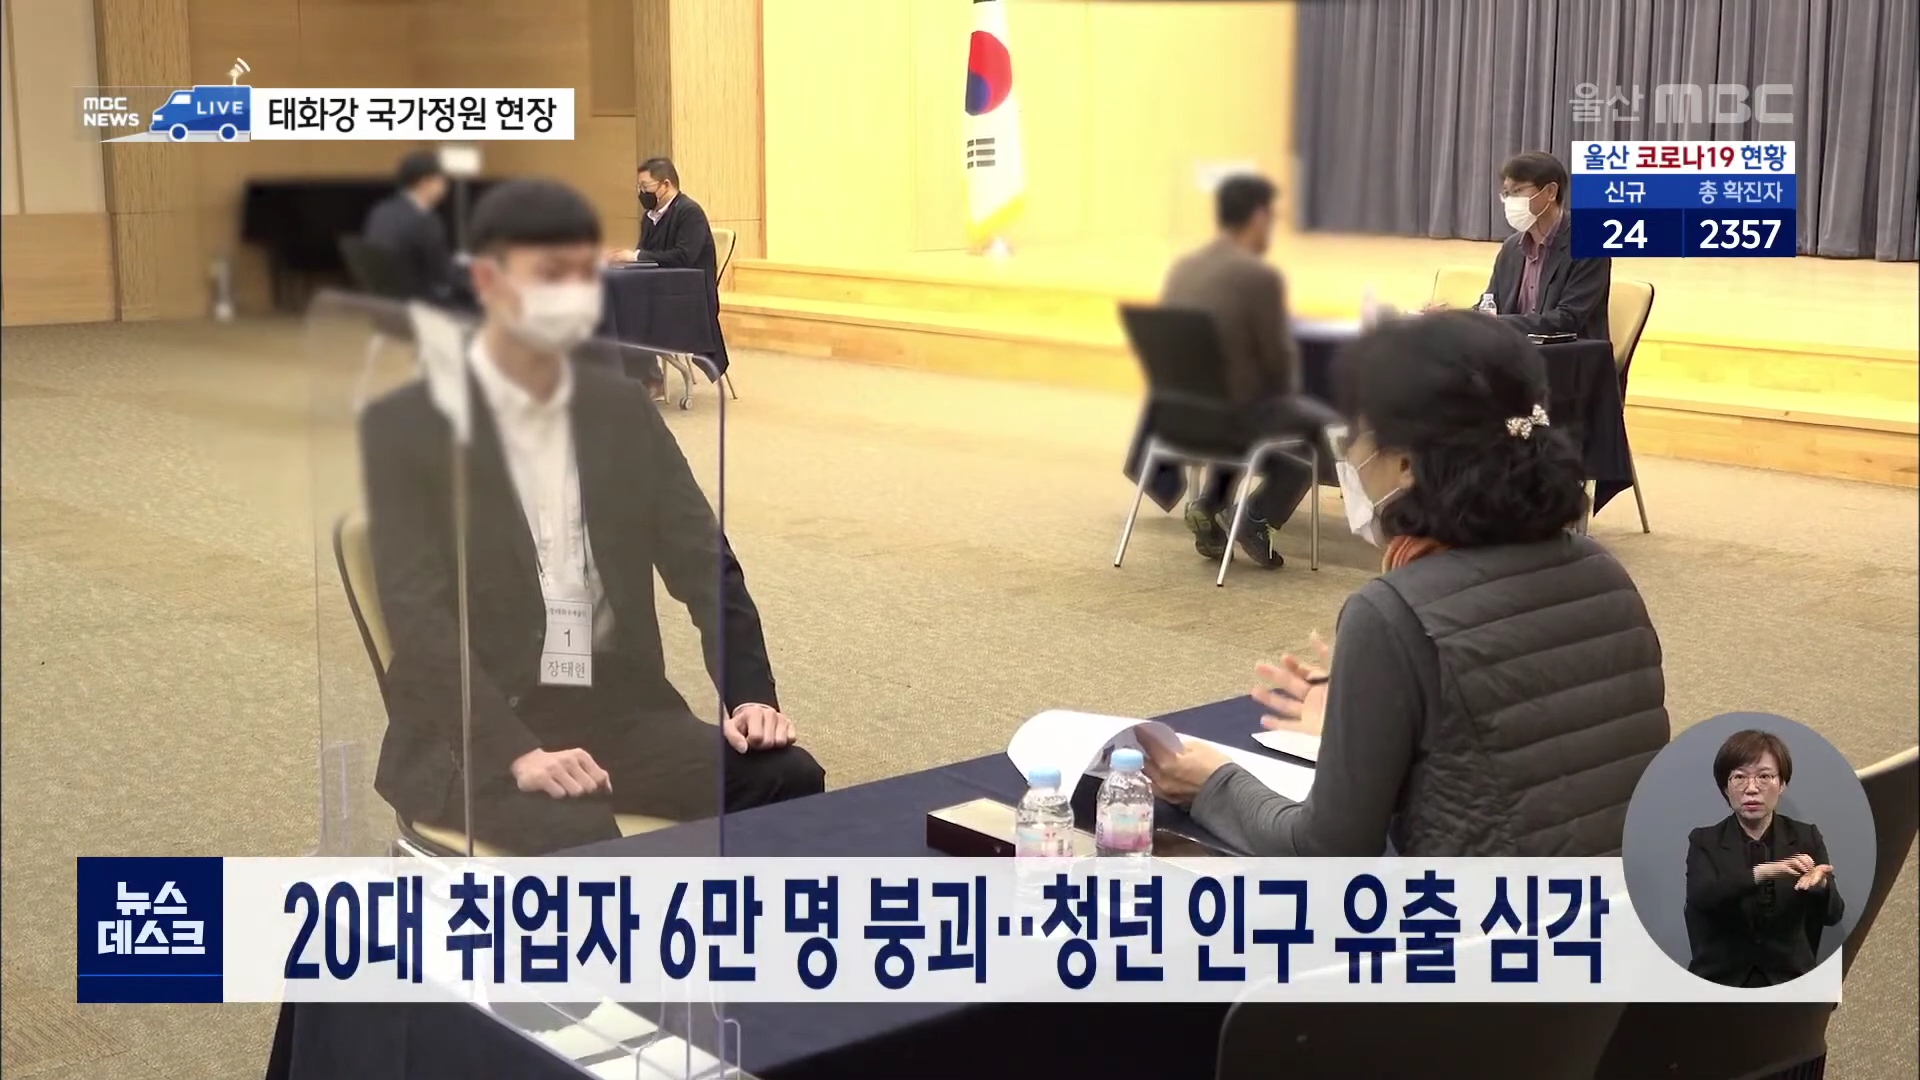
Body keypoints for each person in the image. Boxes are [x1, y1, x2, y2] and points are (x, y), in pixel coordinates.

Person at [360, 178, 823, 855]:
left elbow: (705, 562)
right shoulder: (408, 427)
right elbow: (419, 619)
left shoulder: (620, 410)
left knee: (786, 778)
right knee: (581, 836)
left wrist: (750, 696)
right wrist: (516, 753)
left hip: (612, 706)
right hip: (477, 729)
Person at [1142, 310, 1669, 856]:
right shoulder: (1604, 571)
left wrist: (1213, 783)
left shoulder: (1395, 613)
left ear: (1408, 464)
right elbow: (1527, 755)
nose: (1350, 457)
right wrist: (1371, 720)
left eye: (1357, 436)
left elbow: (1328, 852)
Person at [1127, 174, 1315, 569]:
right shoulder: (1259, 277)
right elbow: (1279, 366)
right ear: (1259, 217)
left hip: (1175, 419)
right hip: (1228, 425)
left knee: (1241, 403)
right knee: (1313, 427)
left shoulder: (1183, 268)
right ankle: (1257, 516)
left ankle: (1212, 503)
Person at [1684, 729, 1844, 987]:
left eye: (1764, 776)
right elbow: (1702, 897)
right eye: (1739, 777)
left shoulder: (1806, 837)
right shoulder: (1704, 841)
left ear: (1782, 784)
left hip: (1790, 978)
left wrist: (1822, 886)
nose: (1751, 789)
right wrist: (1766, 871)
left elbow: (1834, 915)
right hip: (1721, 981)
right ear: (1725, 787)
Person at [607, 157, 730, 396]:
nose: (642, 192)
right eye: (639, 187)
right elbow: (646, 255)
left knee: (629, 311)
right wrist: (623, 259)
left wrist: (635, 256)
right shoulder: (649, 217)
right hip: (658, 291)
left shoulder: (690, 213)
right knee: (613, 302)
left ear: (665, 185)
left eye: (646, 186)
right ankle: (628, 376)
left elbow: (684, 256)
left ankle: (650, 380)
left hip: (688, 299)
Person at [1477, 150, 1611, 341]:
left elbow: (1567, 319)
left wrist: (1497, 323)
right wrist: (1452, 319)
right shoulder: (1511, 247)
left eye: (1517, 191)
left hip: (1568, 350)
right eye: (1506, 193)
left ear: (1550, 192)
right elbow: (1491, 303)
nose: (1510, 201)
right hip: (1517, 349)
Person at [362, 150, 457, 303]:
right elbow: (443, 274)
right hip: (419, 303)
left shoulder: (380, 211)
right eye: (441, 179)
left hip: (382, 302)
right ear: (425, 182)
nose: (446, 185)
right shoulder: (426, 220)